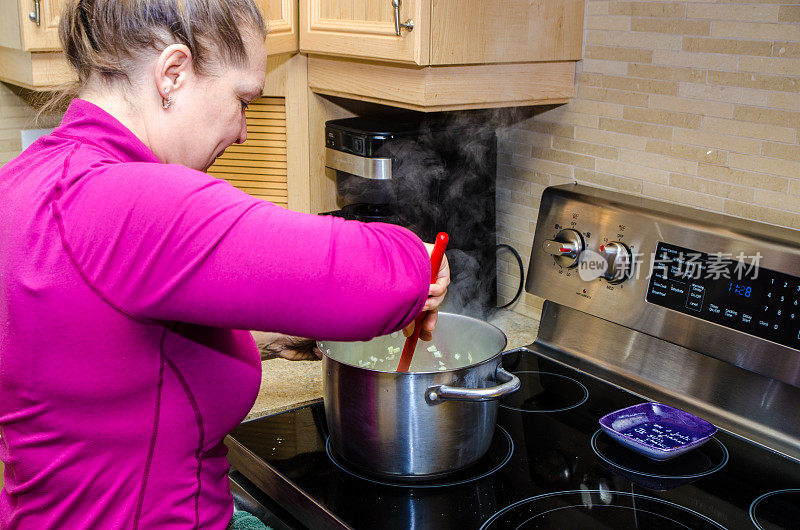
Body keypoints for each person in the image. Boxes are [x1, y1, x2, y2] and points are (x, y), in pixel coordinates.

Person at [0, 0, 449, 527]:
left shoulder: (26, 177)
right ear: (172, 74)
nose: (241, 131)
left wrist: (261, 339)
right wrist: (421, 263)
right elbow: (368, 277)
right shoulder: (129, 198)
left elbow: (97, 349)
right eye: (243, 100)